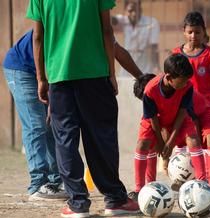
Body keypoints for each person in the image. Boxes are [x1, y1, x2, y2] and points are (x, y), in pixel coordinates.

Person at [27, 0, 139, 217]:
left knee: (65, 140)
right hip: (96, 74)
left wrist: (42, 79)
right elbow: (107, 30)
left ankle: (78, 203)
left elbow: (38, 37)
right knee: (101, 137)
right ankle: (115, 200)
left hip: (60, 76)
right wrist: (111, 73)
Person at [129, 54, 206, 200]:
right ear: (169, 77)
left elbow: (183, 112)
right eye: (182, 81)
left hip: (178, 117)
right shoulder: (150, 90)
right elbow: (152, 117)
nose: (185, 84)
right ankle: (139, 189)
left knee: (194, 140)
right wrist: (159, 141)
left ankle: (203, 183)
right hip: (155, 120)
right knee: (142, 144)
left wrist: (170, 143)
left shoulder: (187, 86)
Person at [2, 30, 67, 201]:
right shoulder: (59, 20)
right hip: (22, 68)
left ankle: (55, 181)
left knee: (51, 124)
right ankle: (38, 184)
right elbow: (44, 50)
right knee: (36, 124)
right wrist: (45, 83)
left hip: (46, 73)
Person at [172, 11, 210, 119]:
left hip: (205, 107)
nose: (193, 36)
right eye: (190, 32)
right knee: (189, 135)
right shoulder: (176, 53)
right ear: (184, 31)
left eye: (197, 32)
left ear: (204, 32)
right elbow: (170, 80)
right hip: (182, 107)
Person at [112, 0, 160, 76]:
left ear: (140, 9)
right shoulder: (123, 20)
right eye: (130, 11)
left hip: (143, 64)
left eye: (136, 10)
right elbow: (111, 20)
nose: (134, 14)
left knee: (142, 82)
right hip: (126, 63)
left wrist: (156, 66)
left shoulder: (151, 22)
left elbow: (153, 47)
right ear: (125, 11)